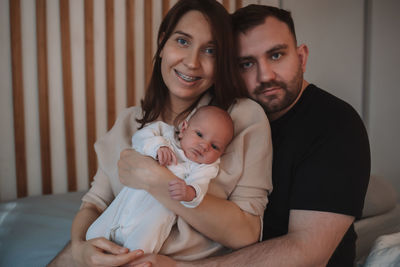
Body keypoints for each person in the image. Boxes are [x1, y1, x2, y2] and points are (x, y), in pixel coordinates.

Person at [123, 4, 371, 267]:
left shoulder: (335, 123)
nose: (265, 76)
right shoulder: (220, 116)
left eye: (276, 55)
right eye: (246, 63)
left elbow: (308, 251)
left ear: (301, 57)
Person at [48, 1, 272, 266]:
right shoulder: (129, 122)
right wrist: (79, 248)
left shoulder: (242, 119)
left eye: (210, 50)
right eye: (182, 41)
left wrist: (156, 180)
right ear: (163, 43)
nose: (192, 62)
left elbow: (247, 232)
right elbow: (93, 204)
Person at [86, 106, 234, 255]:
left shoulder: (203, 167)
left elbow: (200, 185)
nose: (204, 146)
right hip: (125, 203)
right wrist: (158, 146)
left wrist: (189, 192)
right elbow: (140, 138)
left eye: (215, 146)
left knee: (139, 250)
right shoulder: (165, 134)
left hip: (152, 219)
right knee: (93, 234)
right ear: (184, 129)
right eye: (200, 134)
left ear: (222, 153)